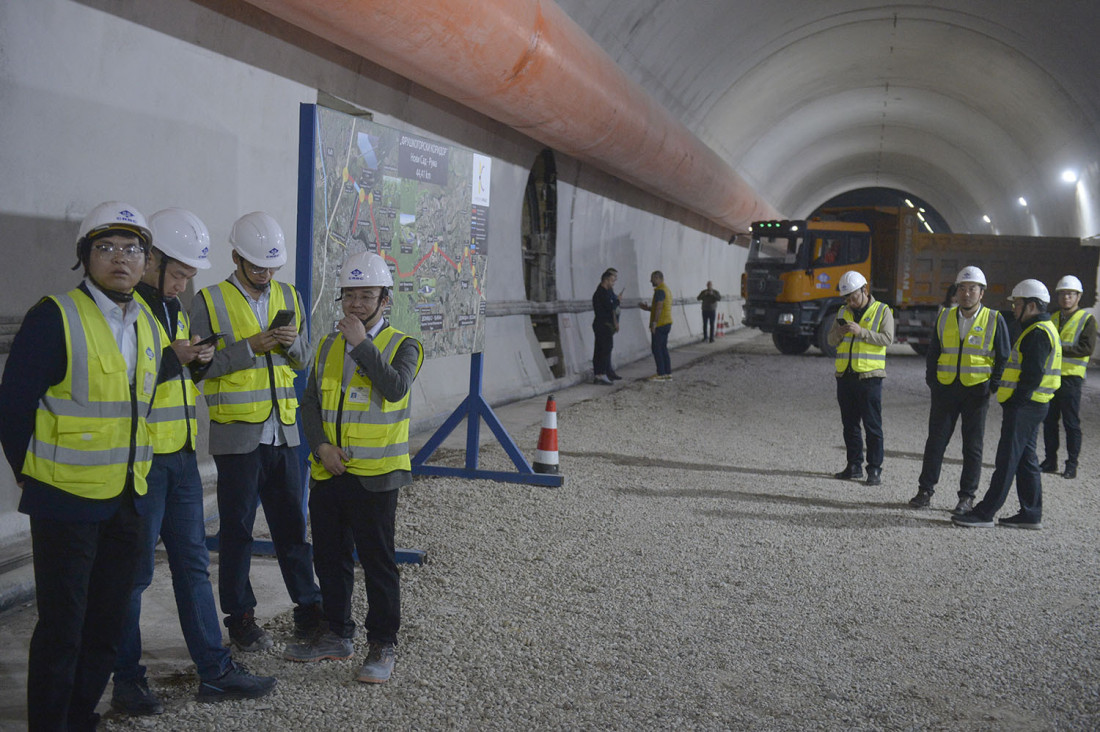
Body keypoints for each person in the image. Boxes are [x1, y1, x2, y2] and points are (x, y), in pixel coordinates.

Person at [0, 202, 170, 730]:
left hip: (126, 497)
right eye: (106, 248)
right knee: (62, 628)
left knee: (107, 625)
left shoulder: (148, 321)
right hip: (64, 500)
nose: (120, 259)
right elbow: (13, 404)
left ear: (146, 262)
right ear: (85, 257)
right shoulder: (55, 315)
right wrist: (31, 476)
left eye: (132, 249)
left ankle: (80, 717)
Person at [111, 209, 276, 715]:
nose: (183, 284)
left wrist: (198, 363)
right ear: (152, 260)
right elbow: (115, 381)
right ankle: (127, 682)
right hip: (140, 465)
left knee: (192, 567)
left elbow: (182, 381)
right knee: (133, 577)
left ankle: (216, 671)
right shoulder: (120, 311)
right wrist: (172, 361)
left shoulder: (173, 309)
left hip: (180, 457)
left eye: (188, 276)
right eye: (178, 273)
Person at [284, 251, 423, 685]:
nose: (356, 304)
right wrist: (321, 445)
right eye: (350, 296)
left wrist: (361, 343)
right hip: (330, 471)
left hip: (376, 477)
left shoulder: (405, 345)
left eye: (367, 296)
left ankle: (382, 643)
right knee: (329, 556)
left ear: (385, 300)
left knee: (378, 561)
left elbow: (395, 388)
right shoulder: (326, 344)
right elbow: (310, 403)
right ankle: (336, 633)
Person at [190, 211, 323, 652]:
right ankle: (241, 619)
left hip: (284, 433)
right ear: (236, 257)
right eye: (257, 266)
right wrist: (251, 347)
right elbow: (200, 370)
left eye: (271, 266)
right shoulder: (208, 301)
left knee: (292, 529)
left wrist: (290, 343)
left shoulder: (289, 295)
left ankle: (309, 608)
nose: (266, 274)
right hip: (238, 438)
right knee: (237, 532)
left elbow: (303, 358)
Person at [953, 279, 1062, 529]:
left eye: (1018, 304)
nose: (1014, 308)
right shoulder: (1042, 328)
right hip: (1033, 405)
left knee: (1007, 460)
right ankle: (1030, 514)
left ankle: (985, 513)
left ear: (1032, 305)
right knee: (1026, 459)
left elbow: (1032, 375)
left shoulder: (1037, 333)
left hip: (1025, 407)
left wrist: (1015, 402)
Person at [908, 267, 1010, 514]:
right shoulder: (945, 317)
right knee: (936, 442)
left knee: (972, 447)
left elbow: (1004, 356)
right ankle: (925, 491)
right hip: (945, 389)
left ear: (982, 293)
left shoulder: (995, 319)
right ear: (955, 292)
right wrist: (932, 380)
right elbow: (934, 352)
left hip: (976, 392)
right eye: (962, 289)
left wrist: (992, 386)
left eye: (972, 289)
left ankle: (966, 497)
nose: (966, 294)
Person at [826, 270, 895, 486]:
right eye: (847, 298)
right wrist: (840, 333)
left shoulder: (882, 310)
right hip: (845, 376)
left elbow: (887, 339)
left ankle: (874, 470)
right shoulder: (841, 312)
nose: (850, 302)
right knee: (850, 425)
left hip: (869, 378)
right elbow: (830, 340)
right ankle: (853, 466)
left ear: (864, 290)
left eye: (853, 297)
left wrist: (861, 332)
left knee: (872, 426)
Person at [1040, 275, 1096, 480]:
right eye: (1063, 294)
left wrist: (1059, 349)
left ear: (1078, 296)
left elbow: (1087, 348)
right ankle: (1050, 460)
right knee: (1049, 421)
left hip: (1071, 379)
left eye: (1070, 294)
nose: (1066, 298)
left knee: (1071, 423)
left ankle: (1071, 464)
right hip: (1050, 378)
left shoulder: (1087, 319)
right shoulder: (1052, 318)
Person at [639, 270, 673, 380]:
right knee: (663, 348)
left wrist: (654, 323)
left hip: (660, 324)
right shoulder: (667, 290)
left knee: (656, 348)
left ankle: (661, 374)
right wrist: (648, 308)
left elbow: (659, 307)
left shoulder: (659, 291)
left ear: (658, 278)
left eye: (652, 278)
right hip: (667, 323)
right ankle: (667, 373)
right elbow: (660, 308)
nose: (650, 281)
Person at [592, 268, 622, 384]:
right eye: (612, 281)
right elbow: (610, 308)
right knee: (604, 349)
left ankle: (600, 374)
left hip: (603, 325)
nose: (613, 283)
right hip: (602, 325)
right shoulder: (602, 293)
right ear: (606, 280)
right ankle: (601, 374)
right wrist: (617, 301)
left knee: (602, 349)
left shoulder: (604, 292)